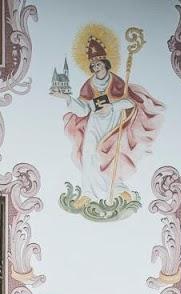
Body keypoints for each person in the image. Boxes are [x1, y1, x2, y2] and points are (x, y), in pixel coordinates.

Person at [56, 37, 164, 204]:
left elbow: (129, 101)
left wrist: (112, 107)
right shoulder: (88, 85)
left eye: (99, 64)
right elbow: (84, 109)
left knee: (110, 155)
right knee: (89, 154)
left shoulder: (116, 82)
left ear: (105, 64)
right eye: (94, 65)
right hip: (94, 123)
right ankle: (87, 194)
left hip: (113, 122)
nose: (96, 67)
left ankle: (118, 190)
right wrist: (68, 99)